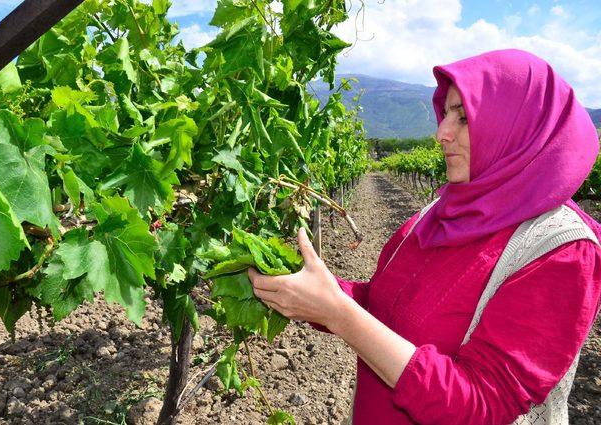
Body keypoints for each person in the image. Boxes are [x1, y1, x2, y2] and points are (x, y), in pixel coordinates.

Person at [247, 48, 601, 425]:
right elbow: (383, 305)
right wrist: (304, 288)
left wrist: (339, 314)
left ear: (520, 128)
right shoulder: (440, 213)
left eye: (464, 118)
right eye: (445, 114)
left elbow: (481, 406)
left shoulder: (559, 251)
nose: (441, 133)